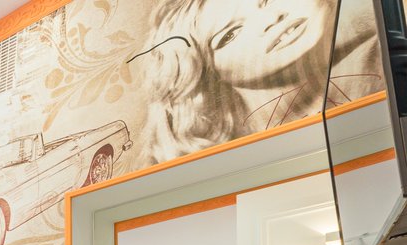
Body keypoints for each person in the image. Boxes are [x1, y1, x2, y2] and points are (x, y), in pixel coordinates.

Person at [136, 0, 378, 164]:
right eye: (230, 34)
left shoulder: (380, 58)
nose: (272, 18)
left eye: (268, 0)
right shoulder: (231, 162)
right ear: (205, 75)